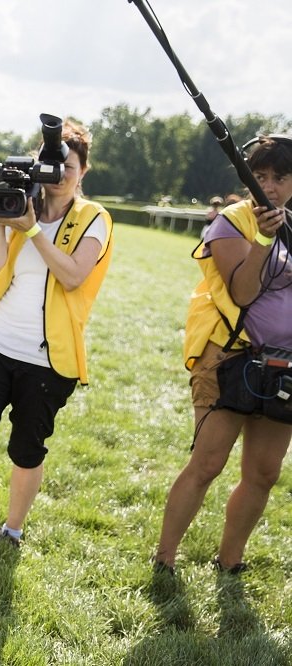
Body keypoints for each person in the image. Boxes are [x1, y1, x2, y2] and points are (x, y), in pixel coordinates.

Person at [0, 119, 114, 554]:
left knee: (27, 447)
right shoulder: (25, 204)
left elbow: (74, 275)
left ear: (83, 173)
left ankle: (14, 531)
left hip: (48, 355)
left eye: (69, 168)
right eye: (51, 166)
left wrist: (34, 229)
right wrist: (2, 223)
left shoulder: (93, 218)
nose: (58, 176)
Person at [153, 136, 292, 576]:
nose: (268, 186)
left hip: (283, 366)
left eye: (280, 177)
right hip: (229, 358)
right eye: (261, 176)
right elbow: (243, 291)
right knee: (208, 462)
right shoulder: (232, 221)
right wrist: (266, 241)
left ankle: (230, 559)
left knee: (265, 473)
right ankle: (165, 559)